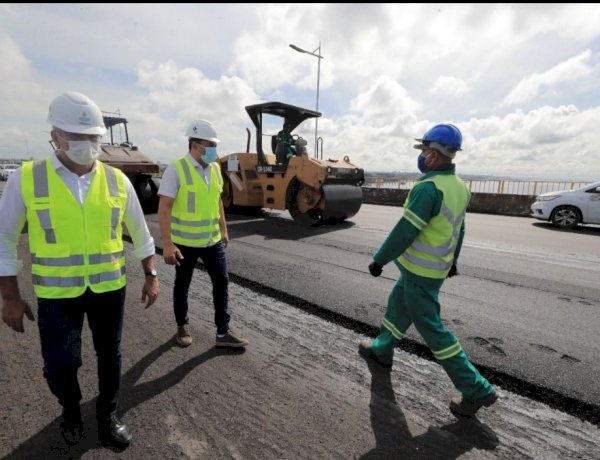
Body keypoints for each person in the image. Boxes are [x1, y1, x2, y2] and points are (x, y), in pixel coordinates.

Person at [0, 91, 160, 448]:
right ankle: (70, 410)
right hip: (57, 296)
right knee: (61, 364)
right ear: (55, 135)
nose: (86, 144)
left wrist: (151, 275)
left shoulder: (117, 181)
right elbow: (3, 237)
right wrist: (9, 296)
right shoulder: (26, 179)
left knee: (110, 357)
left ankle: (107, 416)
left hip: (108, 291)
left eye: (93, 137)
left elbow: (140, 231)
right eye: (76, 136)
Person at [359, 123, 498, 418]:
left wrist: (379, 259)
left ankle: (476, 389)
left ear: (434, 155)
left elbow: (406, 230)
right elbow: (459, 229)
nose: (421, 156)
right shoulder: (459, 187)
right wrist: (453, 261)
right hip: (428, 270)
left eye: (424, 150)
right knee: (398, 305)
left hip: (420, 273)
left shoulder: (428, 188)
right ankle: (382, 350)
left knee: (433, 330)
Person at [157, 119, 249, 349]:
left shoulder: (215, 169)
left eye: (215, 146)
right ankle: (182, 325)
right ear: (195, 145)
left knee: (221, 282)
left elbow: (217, 199)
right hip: (185, 242)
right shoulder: (176, 169)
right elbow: (165, 207)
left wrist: (223, 228)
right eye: (210, 145)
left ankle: (223, 332)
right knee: (183, 284)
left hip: (212, 241)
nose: (214, 151)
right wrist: (168, 244)